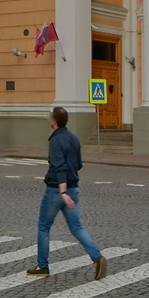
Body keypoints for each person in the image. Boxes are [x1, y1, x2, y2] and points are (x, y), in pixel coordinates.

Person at [26, 107, 106, 280]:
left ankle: (42, 266)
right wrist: (69, 188)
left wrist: (62, 192)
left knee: (43, 227)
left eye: (50, 117)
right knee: (77, 227)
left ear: (54, 122)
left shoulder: (55, 141)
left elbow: (59, 166)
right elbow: (78, 164)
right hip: (74, 188)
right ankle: (97, 257)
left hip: (57, 190)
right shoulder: (73, 138)